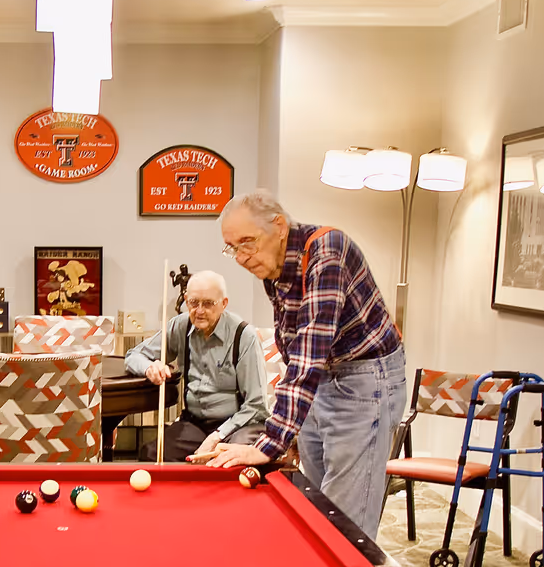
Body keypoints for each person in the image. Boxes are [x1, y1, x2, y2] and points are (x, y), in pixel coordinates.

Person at [201, 190, 407, 532]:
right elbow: (292, 346)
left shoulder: (327, 250)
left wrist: (270, 442)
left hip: (366, 379)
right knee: (317, 506)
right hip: (323, 379)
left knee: (343, 520)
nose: (240, 257)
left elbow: (311, 347)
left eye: (247, 242)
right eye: (233, 247)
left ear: (279, 226)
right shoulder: (274, 267)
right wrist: (291, 426)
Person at [123, 269, 270, 461]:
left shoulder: (244, 336)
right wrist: (150, 367)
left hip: (239, 425)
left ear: (224, 304)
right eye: (193, 303)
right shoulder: (180, 326)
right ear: (185, 299)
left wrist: (217, 436)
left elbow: (256, 406)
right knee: (152, 454)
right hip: (195, 424)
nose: (199, 311)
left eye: (208, 304)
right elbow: (133, 355)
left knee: (230, 460)